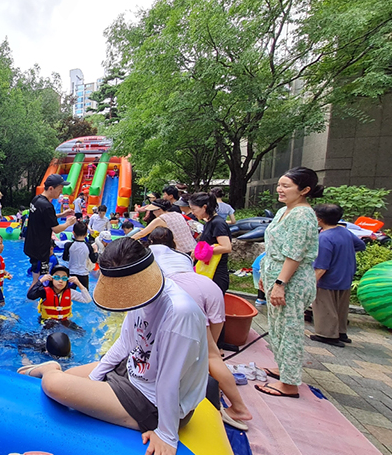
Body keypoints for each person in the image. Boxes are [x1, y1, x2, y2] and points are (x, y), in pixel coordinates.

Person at [18, 238, 208, 455]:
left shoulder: (179, 313)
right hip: (133, 371)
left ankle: (50, 370)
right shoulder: (141, 293)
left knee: (53, 385)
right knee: (71, 377)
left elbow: (170, 379)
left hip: (152, 402)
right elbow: (125, 343)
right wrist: (95, 378)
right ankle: (61, 371)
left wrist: (166, 433)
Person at [149, 228, 252, 429]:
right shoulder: (181, 255)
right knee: (212, 354)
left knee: (202, 355)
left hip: (183, 290)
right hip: (207, 286)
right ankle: (228, 401)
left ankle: (234, 405)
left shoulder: (150, 251)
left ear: (151, 240)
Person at [256, 167, 323, 399]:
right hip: (277, 274)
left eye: (286, 186)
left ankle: (290, 384)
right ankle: (283, 368)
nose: (280, 189)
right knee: (277, 328)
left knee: (290, 329)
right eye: (280, 185)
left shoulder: (303, 215)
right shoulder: (284, 211)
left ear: (304, 190)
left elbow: (294, 254)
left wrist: (280, 283)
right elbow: (274, 247)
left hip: (291, 281)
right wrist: (266, 276)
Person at [311, 204, 366, 347]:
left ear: (319, 219)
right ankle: (341, 332)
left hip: (328, 279)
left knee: (325, 307)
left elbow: (321, 266)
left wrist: (311, 283)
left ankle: (327, 334)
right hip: (345, 275)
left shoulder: (324, 238)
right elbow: (361, 245)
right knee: (341, 307)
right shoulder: (344, 232)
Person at [24, 174, 77, 284]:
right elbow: (56, 229)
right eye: (60, 189)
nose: (61, 192)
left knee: (38, 278)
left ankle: (34, 298)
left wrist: (61, 215)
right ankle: (33, 299)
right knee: (41, 281)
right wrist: (68, 223)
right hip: (41, 249)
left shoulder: (36, 199)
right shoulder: (47, 206)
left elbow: (42, 218)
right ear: (51, 188)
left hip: (31, 245)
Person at [189, 193, 232, 293]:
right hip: (208, 270)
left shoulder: (218, 223)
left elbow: (226, 247)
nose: (192, 212)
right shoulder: (209, 221)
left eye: (194, 209)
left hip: (216, 274)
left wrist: (199, 252)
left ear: (204, 207)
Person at [27, 265, 92, 331]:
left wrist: (78, 283)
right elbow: (30, 296)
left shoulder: (70, 293)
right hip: (47, 320)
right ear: (51, 279)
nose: (60, 281)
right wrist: (41, 281)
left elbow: (87, 299)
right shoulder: (44, 292)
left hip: (64, 320)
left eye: (64, 278)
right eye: (57, 277)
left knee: (81, 332)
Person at [132, 199, 197, 254]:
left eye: (154, 211)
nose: (153, 213)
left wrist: (127, 240)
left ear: (159, 210)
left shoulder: (161, 219)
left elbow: (142, 233)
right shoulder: (178, 214)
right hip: (194, 248)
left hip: (181, 251)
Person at [63, 221, 99, 290]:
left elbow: (64, 258)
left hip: (71, 273)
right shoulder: (88, 246)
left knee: (69, 295)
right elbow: (94, 260)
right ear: (86, 234)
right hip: (84, 274)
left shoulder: (68, 245)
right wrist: (95, 251)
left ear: (73, 232)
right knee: (86, 297)